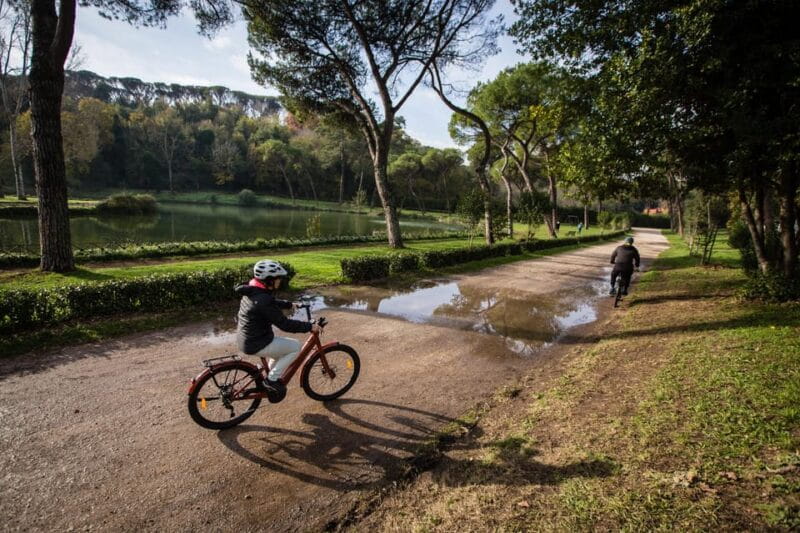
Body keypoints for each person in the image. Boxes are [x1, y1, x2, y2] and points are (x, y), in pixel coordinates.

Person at [235, 259, 320, 403]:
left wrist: (289, 304)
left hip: (247, 339)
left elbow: (270, 302)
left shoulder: (253, 290)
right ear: (269, 280)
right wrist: (309, 326)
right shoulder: (262, 298)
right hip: (257, 342)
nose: (279, 281)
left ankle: (268, 377)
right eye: (278, 279)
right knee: (295, 346)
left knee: (279, 350)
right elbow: (284, 324)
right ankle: (272, 380)